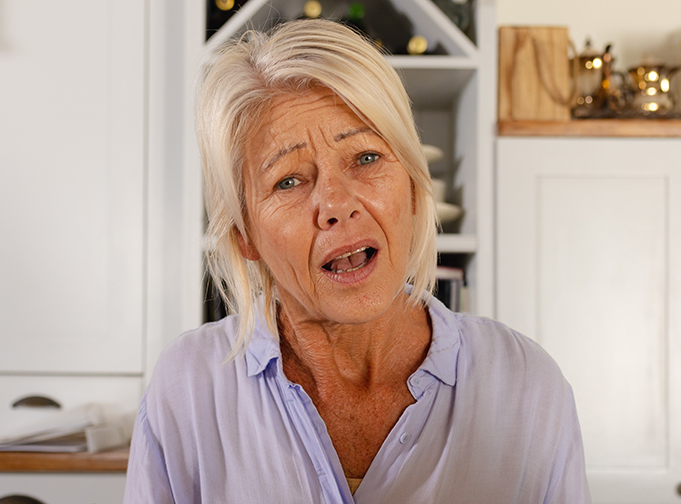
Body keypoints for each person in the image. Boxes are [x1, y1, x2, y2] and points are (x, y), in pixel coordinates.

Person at [124, 19, 590, 503]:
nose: (336, 204)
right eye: (288, 180)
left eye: (365, 158)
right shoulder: (188, 389)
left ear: (412, 186)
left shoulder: (527, 388)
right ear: (245, 236)